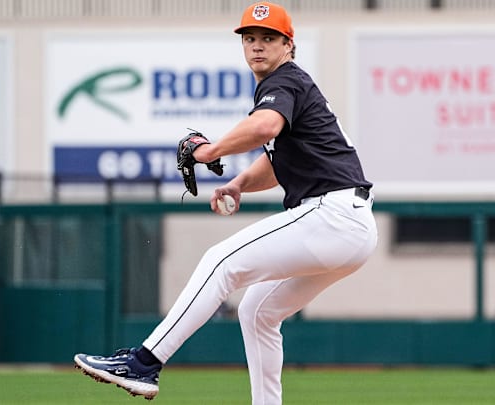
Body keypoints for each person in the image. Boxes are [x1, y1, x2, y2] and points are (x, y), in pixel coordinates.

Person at [73, 2, 378, 404]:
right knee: (257, 310)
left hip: (332, 215)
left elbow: (265, 126)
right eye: (250, 38)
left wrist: (210, 150)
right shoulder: (290, 88)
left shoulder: (284, 81)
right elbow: (275, 162)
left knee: (221, 261)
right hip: (350, 226)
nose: (257, 46)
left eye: (268, 38)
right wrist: (236, 184)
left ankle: (144, 362)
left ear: (288, 45)